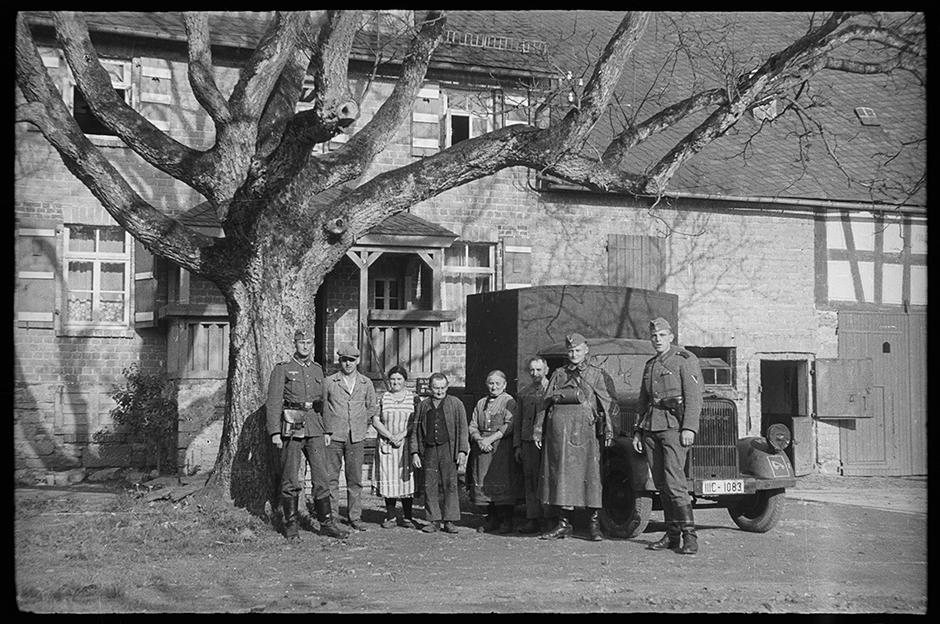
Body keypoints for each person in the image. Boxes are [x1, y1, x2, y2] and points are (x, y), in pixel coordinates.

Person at [265, 329, 347, 540]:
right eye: (301, 343)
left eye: (309, 343)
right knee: (291, 476)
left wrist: (327, 430)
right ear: (295, 344)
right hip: (292, 426)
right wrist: (274, 431)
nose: (305, 346)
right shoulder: (283, 369)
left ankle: (326, 522)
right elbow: (274, 402)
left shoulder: (318, 370)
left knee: (322, 476)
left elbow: (324, 403)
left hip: (316, 427)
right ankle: (291, 523)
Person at [534, 333, 616, 541]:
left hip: (586, 433)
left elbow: (608, 404)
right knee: (562, 475)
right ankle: (564, 524)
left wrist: (609, 430)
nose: (573, 354)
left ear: (586, 350)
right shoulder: (559, 374)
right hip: (559, 434)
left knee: (590, 476)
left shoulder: (597, 374)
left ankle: (594, 525)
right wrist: (537, 429)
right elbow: (545, 403)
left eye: (577, 350)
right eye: (570, 350)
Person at [633, 317, 704, 555]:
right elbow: (643, 400)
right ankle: (672, 535)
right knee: (662, 484)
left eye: (662, 335)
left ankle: (689, 536)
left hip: (674, 428)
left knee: (675, 483)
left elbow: (694, 397)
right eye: (654, 336)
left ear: (671, 337)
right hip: (651, 429)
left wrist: (689, 428)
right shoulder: (650, 364)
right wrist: (638, 431)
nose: (657, 340)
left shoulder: (685, 360)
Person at [323, 343, 378, 532]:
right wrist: (326, 431)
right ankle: (333, 517)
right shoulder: (330, 382)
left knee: (354, 478)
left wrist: (362, 421)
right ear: (340, 361)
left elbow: (372, 406)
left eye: (352, 360)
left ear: (358, 361)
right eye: (344, 360)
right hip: (334, 435)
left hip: (356, 437)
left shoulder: (366, 383)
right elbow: (323, 408)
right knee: (332, 478)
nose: (348, 364)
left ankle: (355, 517)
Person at [409, 372, 469, 534]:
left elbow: (463, 429)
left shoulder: (456, 404)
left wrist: (462, 451)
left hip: (448, 449)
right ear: (430, 388)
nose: (439, 391)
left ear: (447, 387)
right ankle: (433, 520)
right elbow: (415, 431)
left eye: (443, 388)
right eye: (436, 388)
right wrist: (414, 452)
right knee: (430, 485)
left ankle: (449, 520)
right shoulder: (422, 406)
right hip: (429, 451)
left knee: (450, 484)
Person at [468, 370, 521, 534]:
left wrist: (490, 440)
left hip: (501, 450)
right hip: (483, 450)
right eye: (491, 383)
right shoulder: (481, 403)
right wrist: (479, 440)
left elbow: (509, 425)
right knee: (485, 483)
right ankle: (492, 519)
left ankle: (507, 520)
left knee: (503, 483)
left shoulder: (509, 402)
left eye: (498, 383)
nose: (494, 387)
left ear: (504, 385)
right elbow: (473, 425)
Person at [372, 365, 418, 529]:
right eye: (393, 379)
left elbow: (416, 422)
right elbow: (376, 420)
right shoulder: (383, 397)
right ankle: (390, 516)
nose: (396, 382)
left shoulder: (413, 398)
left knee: (407, 479)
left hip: (406, 444)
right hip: (387, 443)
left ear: (405, 381)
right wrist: (390, 436)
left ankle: (407, 517)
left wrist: (402, 435)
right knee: (388, 479)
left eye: (399, 379)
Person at [514, 356, 550, 534]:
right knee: (530, 480)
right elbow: (519, 420)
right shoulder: (524, 392)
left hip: (547, 444)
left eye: (539, 369)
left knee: (547, 481)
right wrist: (518, 446)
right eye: (532, 370)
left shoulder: (551, 391)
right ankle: (533, 519)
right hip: (528, 444)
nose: (535, 373)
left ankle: (549, 520)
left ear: (546, 370)